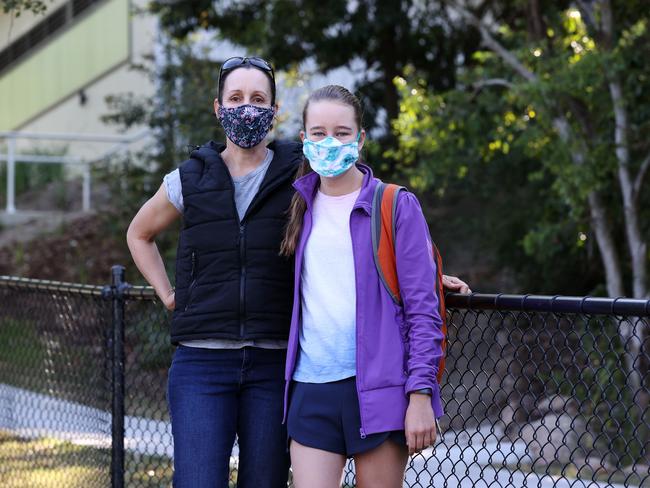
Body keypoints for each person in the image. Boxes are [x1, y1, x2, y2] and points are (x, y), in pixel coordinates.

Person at [127, 58, 469, 487]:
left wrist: (421, 278)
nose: (246, 110)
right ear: (218, 107)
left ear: (275, 112)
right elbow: (141, 234)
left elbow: (366, 240)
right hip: (242, 368)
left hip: (299, 369)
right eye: (235, 99)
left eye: (258, 100)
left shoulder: (312, 178)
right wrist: (169, 294)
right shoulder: (220, 183)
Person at [280, 85, 452, 488]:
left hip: (378, 392)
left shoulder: (395, 204)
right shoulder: (298, 206)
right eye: (318, 133)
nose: (330, 142)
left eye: (342, 132)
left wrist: (421, 395)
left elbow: (422, 309)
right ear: (304, 140)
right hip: (311, 389)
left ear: (359, 139)